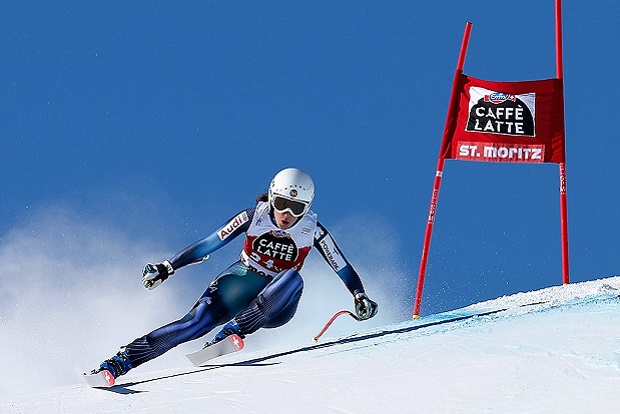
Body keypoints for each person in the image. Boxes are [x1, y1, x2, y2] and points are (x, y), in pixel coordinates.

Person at [91, 167, 378, 383]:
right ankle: (119, 363)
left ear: (307, 209)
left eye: (297, 208)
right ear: (271, 198)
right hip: (241, 282)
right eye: (281, 204)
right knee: (190, 326)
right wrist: (168, 266)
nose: (287, 214)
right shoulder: (252, 217)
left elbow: (341, 265)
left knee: (293, 277)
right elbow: (208, 244)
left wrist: (359, 294)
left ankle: (235, 330)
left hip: (275, 303)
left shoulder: (313, 230)